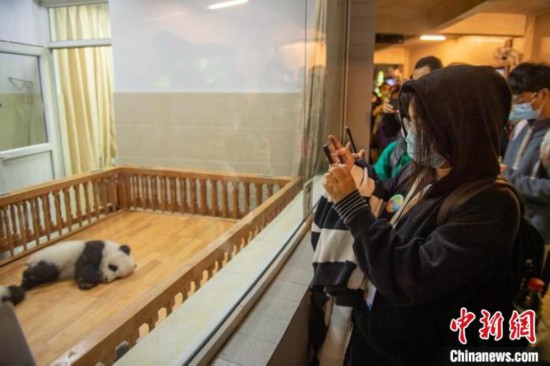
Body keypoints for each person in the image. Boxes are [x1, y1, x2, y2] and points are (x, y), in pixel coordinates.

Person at [323, 65, 521, 364]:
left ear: (457, 127)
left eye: (419, 124)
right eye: (409, 122)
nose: (410, 133)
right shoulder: (423, 171)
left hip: (421, 353)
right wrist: (356, 172)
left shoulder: (490, 204)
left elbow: (410, 275)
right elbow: (388, 199)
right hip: (378, 338)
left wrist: (351, 204)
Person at [502, 62, 550, 246]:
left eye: (520, 101)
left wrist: (509, 177)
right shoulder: (524, 126)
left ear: (544, 94)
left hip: (540, 232)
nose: (515, 108)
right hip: (515, 224)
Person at [374, 56, 442, 181]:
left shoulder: (440, 154)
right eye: (414, 81)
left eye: (423, 81)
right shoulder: (396, 151)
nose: (416, 89)